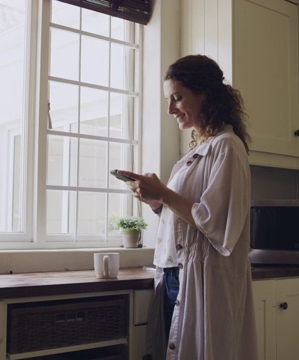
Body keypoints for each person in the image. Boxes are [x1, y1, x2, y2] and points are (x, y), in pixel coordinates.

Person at [116, 55, 258, 360]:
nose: (170, 109)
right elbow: (190, 215)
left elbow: (216, 224)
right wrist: (157, 202)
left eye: (177, 98)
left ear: (204, 93)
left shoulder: (226, 147)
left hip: (201, 276)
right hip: (173, 272)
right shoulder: (201, 147)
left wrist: (165, 194)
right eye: (169, 99)